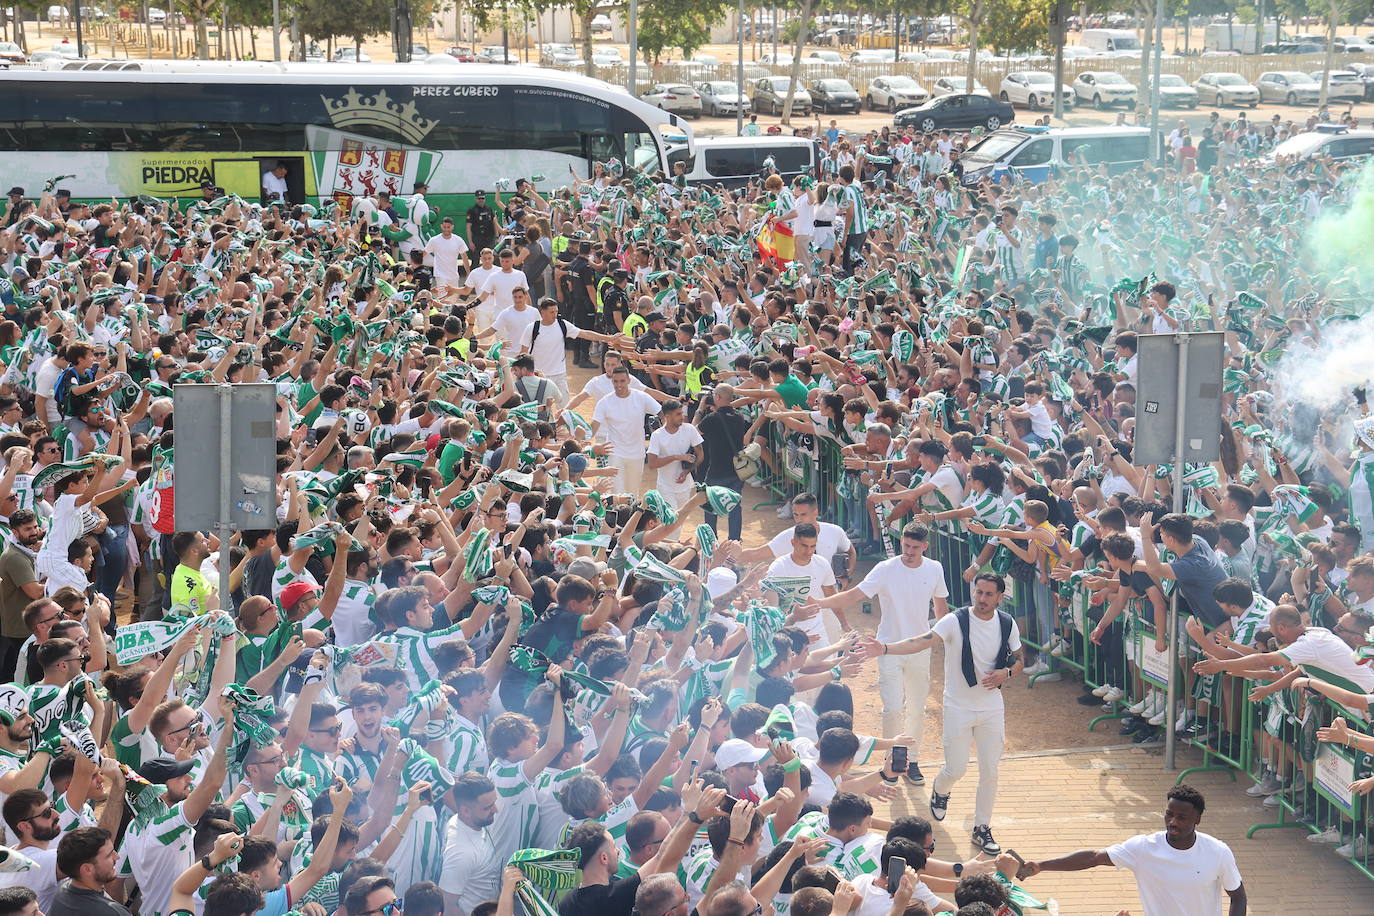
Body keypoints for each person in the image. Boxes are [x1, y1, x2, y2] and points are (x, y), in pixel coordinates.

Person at [861, 574, 1020, 855]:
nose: (981, 599)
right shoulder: (955, 621)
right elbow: (920, 641)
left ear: (999, 597)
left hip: (992, 707)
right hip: (958, 707)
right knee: (955, 768)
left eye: (987, 594)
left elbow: (1019, 658)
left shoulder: (1007, 622)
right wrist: (885, 648)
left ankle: (982, 827)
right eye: (978, 592)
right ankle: (941, 789)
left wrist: (1006, 673)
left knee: (990, 771)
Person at [802, 524, 948, 784]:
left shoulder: (934, 568)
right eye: (906, 545)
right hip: (887, 648)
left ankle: (912, 760)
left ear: (925, 546)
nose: (909, 551)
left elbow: (941, 609)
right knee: (892, 708)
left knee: (917, 707)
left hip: (919, 649)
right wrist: (821, 603)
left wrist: (949, 640)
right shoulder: (886, 569)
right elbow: (853, 595)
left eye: (915, 547)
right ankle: (893, 761)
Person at [1019, 785, 1246, 916]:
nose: (1173, 822)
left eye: (1182, 817)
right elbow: (1094, 857)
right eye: (1169, 814)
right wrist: (1042, 865)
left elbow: (1238, 897)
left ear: (1198, 819)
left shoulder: (1218, 852)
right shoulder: (1143, 848)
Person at [591, 367, 662, 495]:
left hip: (637, 453)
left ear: (629, 380)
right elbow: (594, 426)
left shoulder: (641, 397)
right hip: (615, 452)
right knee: (617, 493)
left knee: (632, 493)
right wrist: (583, 441)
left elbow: (661, 412)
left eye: (622, 381)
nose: (619, 385)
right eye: (615, 381)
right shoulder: (604, 402)